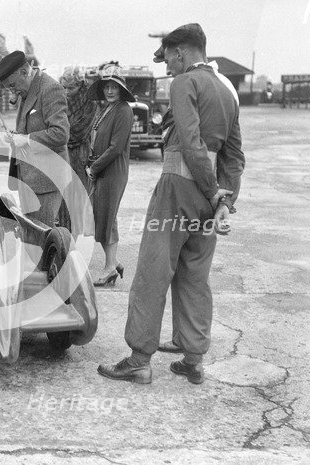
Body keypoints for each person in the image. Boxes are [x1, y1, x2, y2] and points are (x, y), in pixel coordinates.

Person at [98, 23, 244, 385]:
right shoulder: (228, 91)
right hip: (210, 196)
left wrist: (212, 191)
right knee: (195, 273)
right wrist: (224, 199)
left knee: (153, 269)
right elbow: (234, 155)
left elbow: (191, 142)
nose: (169, 67)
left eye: (169, 59)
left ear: (180, 52)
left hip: (178, 186)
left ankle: (138, 360)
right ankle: (193, 357)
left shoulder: (185, 83)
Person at [0, 51, 70, 227]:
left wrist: (26, 139)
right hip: (28, 178)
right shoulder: (28, 89)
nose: (12, 92)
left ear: (24, 72)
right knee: (31, 237)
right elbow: (31, 124)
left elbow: (61, 133)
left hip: (45, 181)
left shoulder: (50, 89)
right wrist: (15, 136)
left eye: (12, 86)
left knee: (42, 238)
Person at [87, 64, 134, 286]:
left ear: (121, 88)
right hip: (102, 169)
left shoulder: (124, 110)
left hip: (113, 171)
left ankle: (109, 268)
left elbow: (116, 148)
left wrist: (94, 167)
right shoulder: (106, 109)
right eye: (106, 86)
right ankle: (113, 262)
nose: (109, 91)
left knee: (108, 218)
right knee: (103, 217)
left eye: (114, 86)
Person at [57, 67, 98, 237]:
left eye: (71, 88)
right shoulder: (60, 98)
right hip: (62, 154)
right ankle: (66, 238)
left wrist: (59, 135)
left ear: (80, 85)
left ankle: (75, 240)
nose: (67, 92)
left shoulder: (90, 101)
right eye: (64, 87)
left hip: (79, 155)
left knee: (77, 200)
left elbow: (82, 130)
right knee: (62, 199)